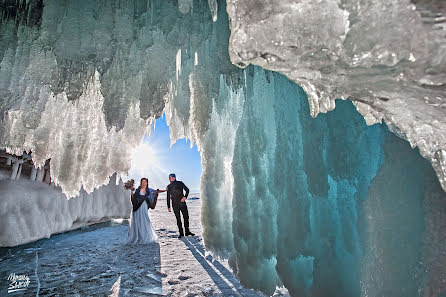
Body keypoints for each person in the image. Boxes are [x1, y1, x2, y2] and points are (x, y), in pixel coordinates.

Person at [125, 178, 159, 245]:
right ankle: (139, 237)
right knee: (138, 221)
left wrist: (157, 193)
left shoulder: (148, 191)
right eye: (143, 182)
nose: (144, 183)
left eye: (145, 182)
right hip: (138, 207)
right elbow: (134, 198)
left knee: (145, 221)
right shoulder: (138, 190)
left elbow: (152, 195)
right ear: (141, 183)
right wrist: (132, 192)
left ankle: (146, 237)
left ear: (147, 183)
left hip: (144, 207)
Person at [166, 173, 195, 238]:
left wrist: (185, 197)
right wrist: (168, 206)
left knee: (186, 217)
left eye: (172, 177)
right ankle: (181, 233)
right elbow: (168, 197)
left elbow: (187, 190)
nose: (171, 178)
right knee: (178, 218)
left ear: (174, 177)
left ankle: (187, 231)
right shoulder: (169, 186)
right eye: (170, 177)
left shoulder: (180, 183)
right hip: (174, 204)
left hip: (182, 203)